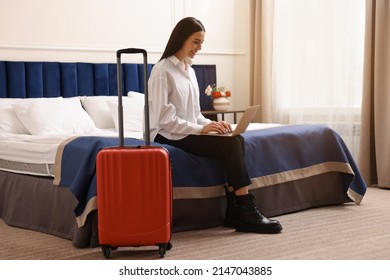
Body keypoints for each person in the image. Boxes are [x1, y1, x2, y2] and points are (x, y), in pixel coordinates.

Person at [148, 17, 282, 234]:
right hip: (168, 135)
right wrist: (202, 129)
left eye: (201, 42)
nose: (199, 48)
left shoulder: (189, 71)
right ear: (181, 38)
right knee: (230, 146)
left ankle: (234, 211)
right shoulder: (162, 71)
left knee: (235, 139)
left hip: (188, 131)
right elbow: (165, 120)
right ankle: (246, 209)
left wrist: (213, 124)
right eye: (195, 42)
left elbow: (195, 114)